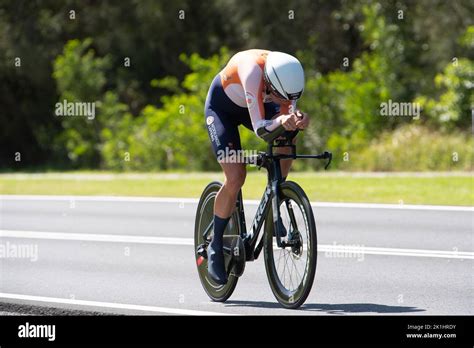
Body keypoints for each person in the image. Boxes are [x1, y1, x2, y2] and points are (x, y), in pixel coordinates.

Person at [204, 49, 310, 284]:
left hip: (256, 105)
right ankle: (216, 244)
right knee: (236, 175)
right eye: (283, 98)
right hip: (223, 109)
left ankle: (276, 201)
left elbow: (287, 115)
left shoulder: (287, 77)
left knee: (288, 138)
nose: (287, 102)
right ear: (270, 84)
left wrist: (298, 119)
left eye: (290, 98)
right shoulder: (252, 72)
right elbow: (262, 129)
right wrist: (282, 119)